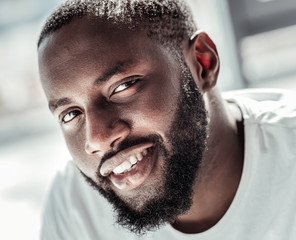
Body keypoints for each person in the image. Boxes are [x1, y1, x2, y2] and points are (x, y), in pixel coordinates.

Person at [37, 0, 296, 239]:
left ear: (202, 63)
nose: (97, 139)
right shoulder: (73, 205)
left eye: (123, 87)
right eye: (70, 114)